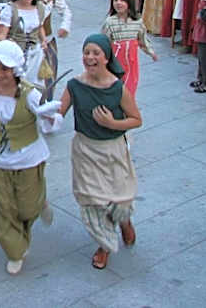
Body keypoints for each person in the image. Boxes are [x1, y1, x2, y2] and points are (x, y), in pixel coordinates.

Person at [0, 40, 59, 275]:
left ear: (16, 70)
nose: (0, 74)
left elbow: (50, 118)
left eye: (5, 69)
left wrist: (48, 117)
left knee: (27, 208)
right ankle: (15, 250)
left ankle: (39, 204)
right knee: (1, 208)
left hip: (27, 156)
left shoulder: (29, 94)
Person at [59, 34, 142, 270]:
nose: (90, 57)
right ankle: (105, 244)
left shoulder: (117, 88)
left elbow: (136, 120)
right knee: (93, 200)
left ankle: (124, 219)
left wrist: (113, 124)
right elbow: (59, 113)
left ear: (106, 57)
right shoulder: (74, 85)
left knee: (120, 198)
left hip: (113, 150)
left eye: (96, 53)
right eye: (87, 52)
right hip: (85, 150)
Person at [0, 0, 69, 89]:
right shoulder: (10, 9)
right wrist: (9, 44)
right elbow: (1, 35)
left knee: (34, 88)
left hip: (35, 54)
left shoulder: (40, 7)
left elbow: (39, 27)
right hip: (16, 54)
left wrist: (43, 40)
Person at [101, 0, 157, 98]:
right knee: (114, 83)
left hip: (131, 61)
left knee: (130, 85)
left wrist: (151, 52)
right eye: (116, 0)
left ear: (129, 3)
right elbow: (104, 41)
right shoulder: (110, 22)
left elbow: (143, 39)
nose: (118, 3)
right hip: (115, 59)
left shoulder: (137, 22)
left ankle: (127, 106)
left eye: (122, 0)